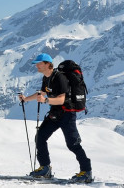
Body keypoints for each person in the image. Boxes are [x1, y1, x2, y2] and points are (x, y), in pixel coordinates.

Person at [19, 53, 93, 183]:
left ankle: (86, 172)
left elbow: (61, 99)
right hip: (55, 114)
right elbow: (40, 93)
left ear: (48, 64)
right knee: (40, 137)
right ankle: (45, 168)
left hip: (67, 114)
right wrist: (26, 99)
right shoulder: (46, 78)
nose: (37, 66)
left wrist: (46, 101)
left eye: (39, 63)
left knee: (73, 144)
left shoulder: (60, 78)